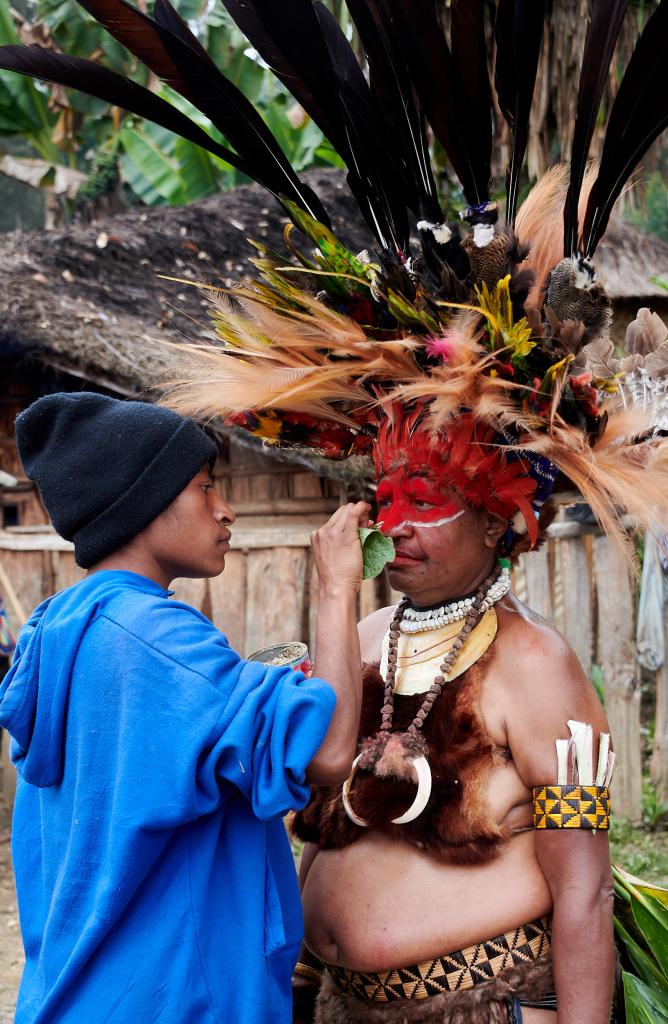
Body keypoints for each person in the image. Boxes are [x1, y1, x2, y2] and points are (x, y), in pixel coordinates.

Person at [0, 391, 369, 1024]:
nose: (225, 511)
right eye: (204, 487)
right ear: (143, 505)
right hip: (176, 1001)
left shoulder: (61, 628)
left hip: (84, 997)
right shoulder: (156, 638)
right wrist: (337, 588)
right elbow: (332, 748)